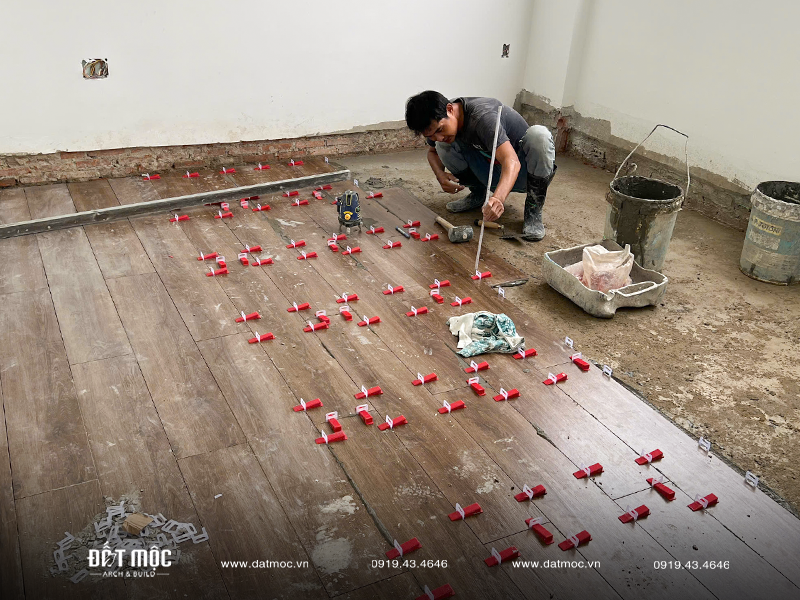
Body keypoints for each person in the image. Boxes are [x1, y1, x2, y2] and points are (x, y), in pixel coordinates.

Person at [404, 90, 556, 241]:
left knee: (539, 136)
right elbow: (432, 152)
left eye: (440, 130)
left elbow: (512, 161)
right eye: (431, 136)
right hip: (491, 172)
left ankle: (533, 209)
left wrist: (498, 198)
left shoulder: (483, 117)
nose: (439, 137)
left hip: (524, 175)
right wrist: (440, 175)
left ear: (450, 109)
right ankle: (478, 194)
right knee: (442, 146)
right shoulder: (439, 119)